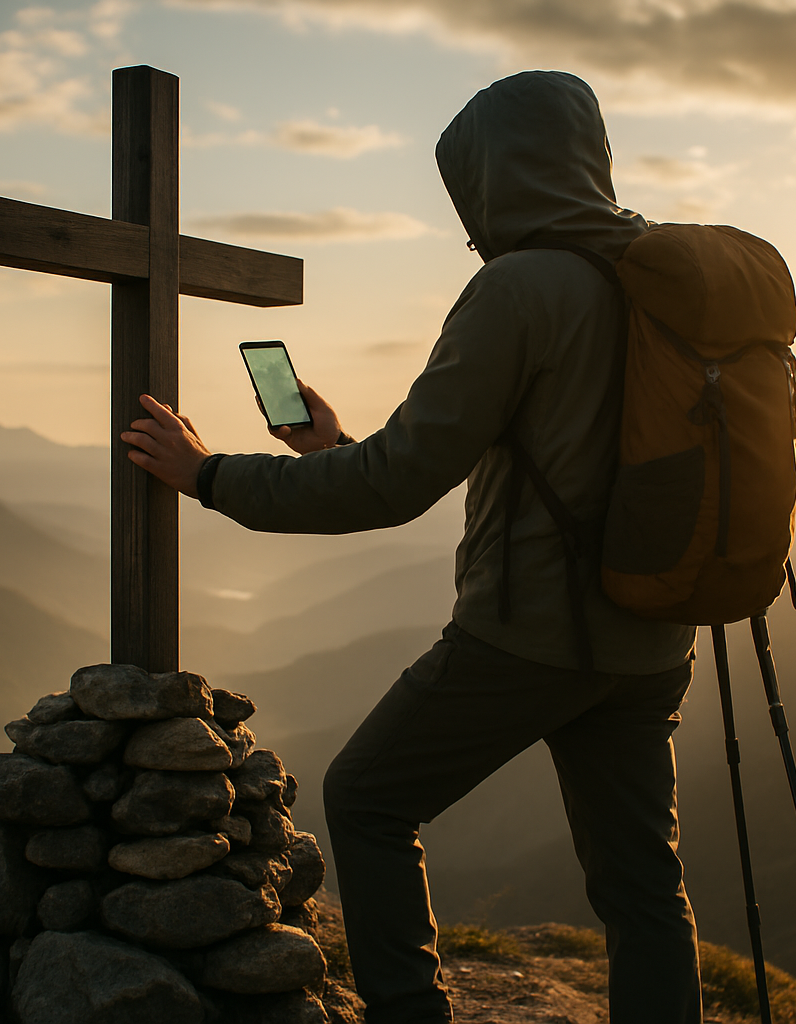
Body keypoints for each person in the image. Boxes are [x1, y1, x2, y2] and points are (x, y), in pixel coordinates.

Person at [123, 70, 702, 1024]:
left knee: (366, 799)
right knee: (642, 886)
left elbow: (394, 488)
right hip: (652, 636)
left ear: (489, 179)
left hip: (528, 638)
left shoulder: (517, 289)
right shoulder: (658, 279)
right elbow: (566, 463)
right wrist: (335, 452)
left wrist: (207, 475)